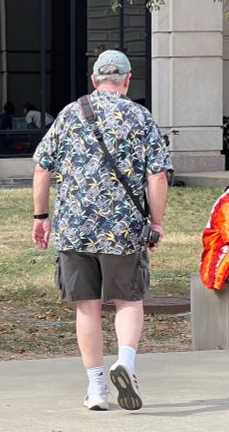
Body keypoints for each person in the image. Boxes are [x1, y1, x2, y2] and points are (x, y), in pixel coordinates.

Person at [31, 49, 171, 412]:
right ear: (127, 81)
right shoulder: (140, 116)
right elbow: (157, 175)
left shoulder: (69, 113)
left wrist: (40, 216)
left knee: (87, 306)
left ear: (94, 80)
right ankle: (124, 361)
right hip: (122, 229)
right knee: (128, 299)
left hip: (74, 228)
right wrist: (156, 222)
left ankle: (95, 387)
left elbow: (42, 168)